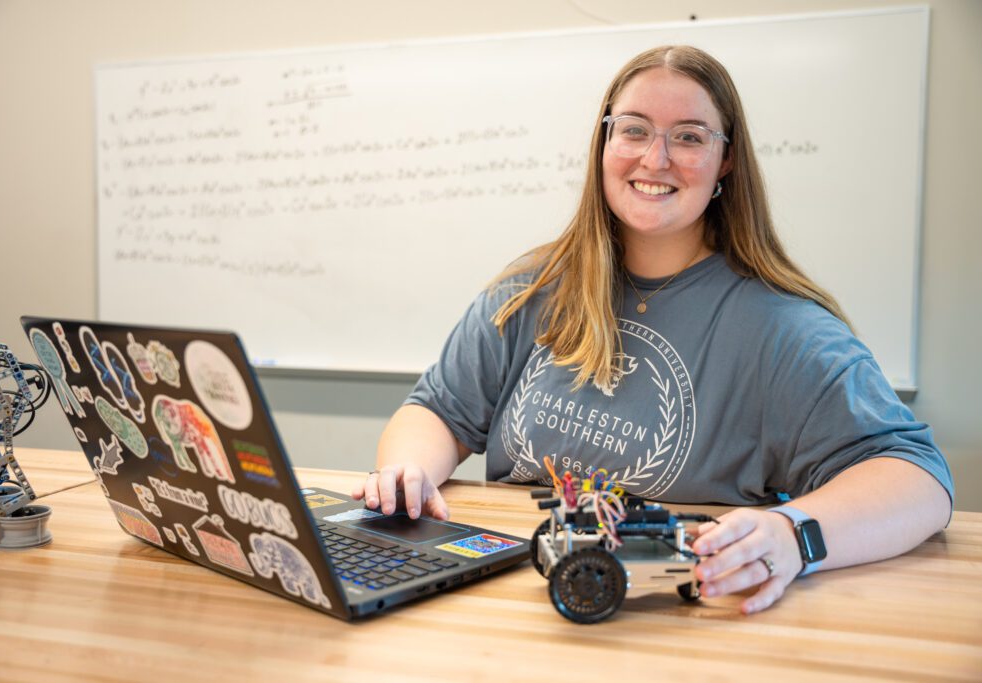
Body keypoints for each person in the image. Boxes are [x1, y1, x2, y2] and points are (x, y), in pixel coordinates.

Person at [352, 45, 953, 614]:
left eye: (688, 136)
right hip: (512, 610)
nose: (655, 158)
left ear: (726, 160)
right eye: (634, 129)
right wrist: (408, 471)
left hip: (687, 621)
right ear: (605, 141)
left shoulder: (785, 330)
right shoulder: (532, 290)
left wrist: (793, 535)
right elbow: (438, 411)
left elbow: (917, 479)